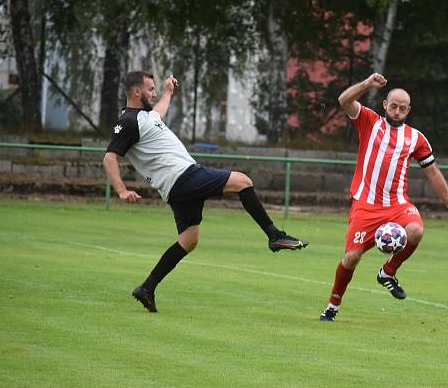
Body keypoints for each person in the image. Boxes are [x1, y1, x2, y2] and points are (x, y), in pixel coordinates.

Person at [103, 71, 307, 313]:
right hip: (183, 177)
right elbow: (109, 157)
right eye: (150, 89)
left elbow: (159, 112)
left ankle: (147, 288)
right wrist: (121, 190)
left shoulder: (147, 116)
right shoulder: (127, 122)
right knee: (243, 181)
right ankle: (275, 236)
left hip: (175, 186)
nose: (154, 92)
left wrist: (168, 91)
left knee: (189, 240)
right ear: (136, 92)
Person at [320, 72, 448, 322]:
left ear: (408, 110)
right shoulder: (369, 121)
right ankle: (333, 305)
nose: (398, 111)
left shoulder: (416, 138)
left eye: (403, 108)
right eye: (394, 106)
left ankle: (387, 272)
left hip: (397, 203)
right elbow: (344, 100)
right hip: (366, 204)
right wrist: (367, 84)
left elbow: (432, 172)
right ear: (385, 105)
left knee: (416, 231)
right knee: (352, 257)